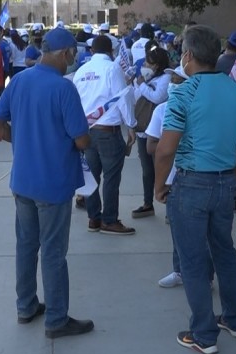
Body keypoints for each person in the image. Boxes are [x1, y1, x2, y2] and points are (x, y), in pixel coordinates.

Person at [154, 24, 236, 354]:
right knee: (224, 250)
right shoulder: (235, 90)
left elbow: (166, 149)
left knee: (193, 260)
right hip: (224, 181)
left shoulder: (183, 92)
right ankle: (235, 320)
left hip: (191, 183)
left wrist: (159, 185)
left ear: (187, 55)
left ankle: (203, 334)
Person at [0, 27, 94, 338]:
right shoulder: (64, 89)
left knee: (26, 245)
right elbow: (82, 140)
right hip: (54, 183)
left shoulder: (20, 79)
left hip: (23, 181)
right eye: (73, 55)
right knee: (52, 251)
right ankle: (57, 319)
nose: (73, 60)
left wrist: (20, 141)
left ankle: (26, 306)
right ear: (65, 54)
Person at [72, 34, 137, 235]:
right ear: (111, 51)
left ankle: (94, 218)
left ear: (92, 51)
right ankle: (109, 220)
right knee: (111, 177)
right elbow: (122, 98)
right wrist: (131, 125)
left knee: (91, 176)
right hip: (108, 131)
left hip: (86, 131)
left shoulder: (81, 71)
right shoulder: (112, 68)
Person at [145, 65, 190, 287]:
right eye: (172, 78)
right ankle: (180, 271)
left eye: (179, 79)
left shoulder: (201, 107)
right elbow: (152, 146)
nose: (173, 83)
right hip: (173, 179)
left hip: (195, 176)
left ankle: (203, 275)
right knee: (178, 231)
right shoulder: (162, 110)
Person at [131, 42, 170, 219]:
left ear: (158, 65)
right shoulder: (146, 79)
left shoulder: (165, 78)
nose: (146, 66)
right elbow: (135, 98)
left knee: (164, 167)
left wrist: (142, 85)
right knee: (147, 171)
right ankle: (148, 203)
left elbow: (158, 97)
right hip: (142, 130)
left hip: (158, 132)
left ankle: (171, 207)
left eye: (149, 63)